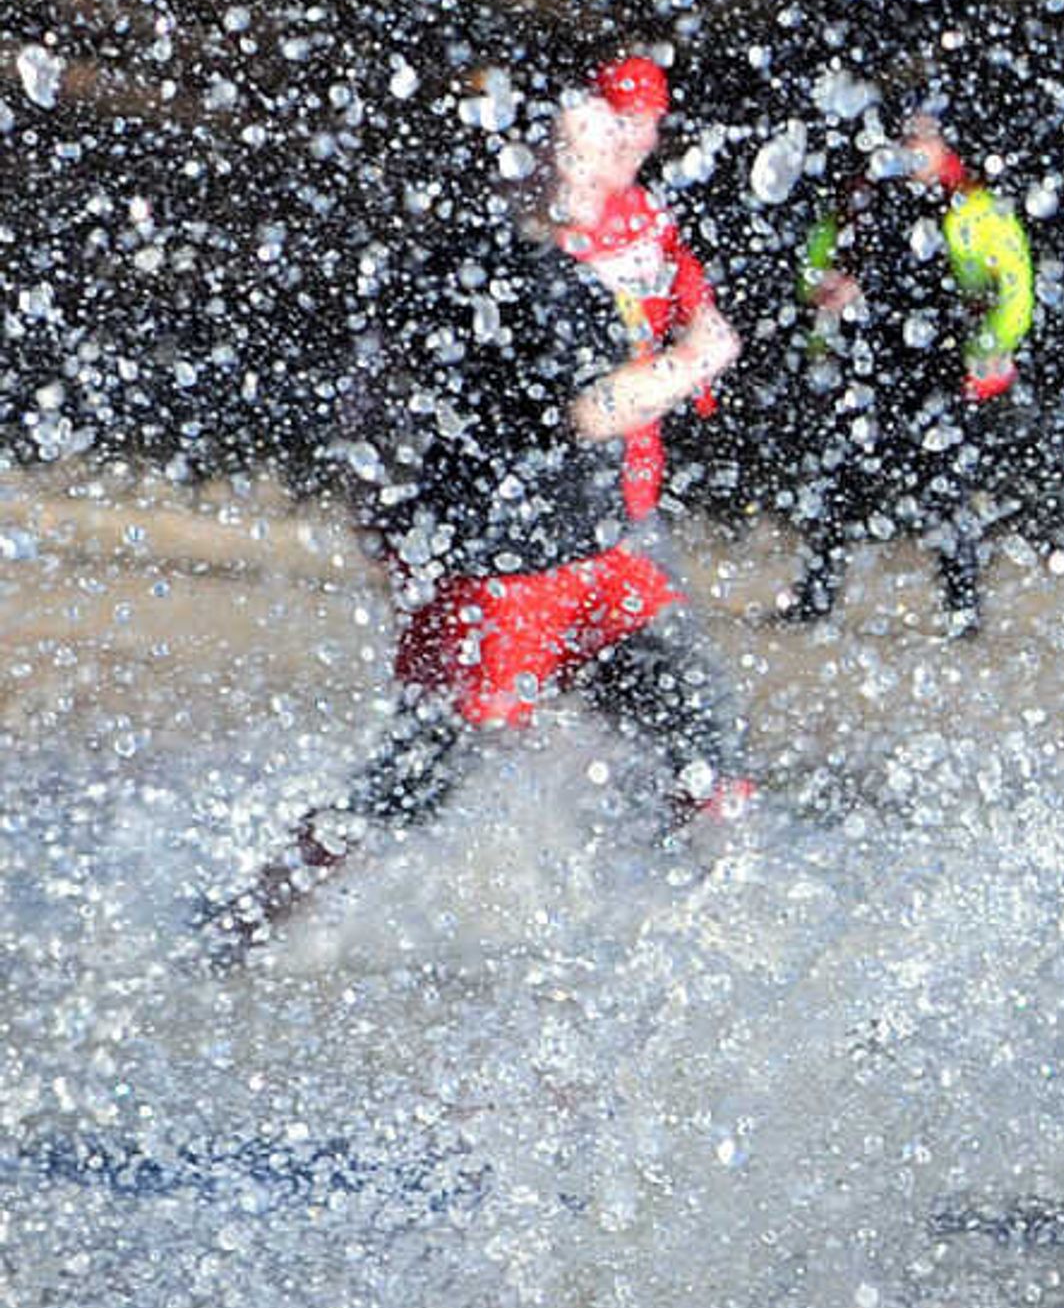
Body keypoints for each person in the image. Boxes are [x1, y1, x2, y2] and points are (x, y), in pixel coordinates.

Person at [203, 69, 754, 958]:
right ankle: (247, 923)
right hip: (504, 585)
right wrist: (702, 359)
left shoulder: (453, 257)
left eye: (606, 148)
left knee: (701, 730)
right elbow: (593, 410)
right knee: (416, 779)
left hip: (594, 558)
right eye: (581, 153)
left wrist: (380, 522)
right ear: (533, 170)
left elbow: (368, 398)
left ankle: (698, 928)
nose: (604, 164)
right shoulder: (538, 279)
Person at [781, 102, 1035, 635]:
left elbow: (1016, 289)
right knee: (838, 481)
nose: (912, 149)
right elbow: (814, 264)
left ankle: (962, 612)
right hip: (870, 361)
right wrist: (824, 291)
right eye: (905, 137)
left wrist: (986, 350)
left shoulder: (974, 205)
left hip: (943, 363)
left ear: (944, 146)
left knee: (950, 490)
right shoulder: (863, 197)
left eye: (923, 138)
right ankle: (814, 601)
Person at [551, 53, 724, 536]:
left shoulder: (648, 216)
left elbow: (699, 310)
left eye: (651, 123)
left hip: (636, 461)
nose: (639, 139)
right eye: (626, 121)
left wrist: (700, 341)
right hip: (571, 468)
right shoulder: (556, 220)